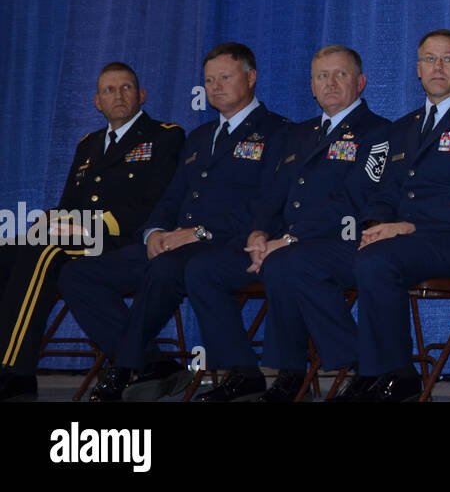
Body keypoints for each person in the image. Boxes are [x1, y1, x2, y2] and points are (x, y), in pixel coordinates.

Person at [60, 42, 288, 402]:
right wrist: (154, 232)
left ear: (251, 77)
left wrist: (199, 233)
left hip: (230, 244)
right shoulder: (198, 137)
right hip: (177, 244)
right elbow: (172, 197)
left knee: (169, 269)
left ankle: (124, 369)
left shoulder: (278, 132)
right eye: (209, 80)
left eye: (225, 77)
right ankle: (152, 362)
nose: (215, 86)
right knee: (77, 274)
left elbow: (271, 203)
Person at [185, 45, 390, 402]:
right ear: (311, 87)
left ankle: (347, 368)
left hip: (345, 244)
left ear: (361, 83)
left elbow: (353, 202)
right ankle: (244, 372)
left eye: (340, 75)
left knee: (287, 264)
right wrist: (260, 233)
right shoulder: (299, 134)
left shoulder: (379, 133)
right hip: (287, 245)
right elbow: (272, 194)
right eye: (321, 76)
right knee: (204, 268)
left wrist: (291, 239)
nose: (330, 83)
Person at [337, 29, 450, 402]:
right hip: (409, 242)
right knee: (354, 256)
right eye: (429, 59)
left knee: (377, 261)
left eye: (447, 59)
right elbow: (383, 193)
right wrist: (375, 226)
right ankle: (372, 372)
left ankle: (396, 376)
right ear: (417, 69)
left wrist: (408, 225)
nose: (438, 67)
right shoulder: (401, 129)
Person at [0, 63, 184, 402]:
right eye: (109, 90)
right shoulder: (89, 144)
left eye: (126, 88)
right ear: (97, 102)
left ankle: (15, 370)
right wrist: (49, 222)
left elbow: (155, 205)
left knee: (44, 251)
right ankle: (151, 361)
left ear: (141, 95)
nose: (118, 95)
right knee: (9, 250)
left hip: (126, 240)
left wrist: (84, 226)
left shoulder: (164, 136)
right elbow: (68, 203)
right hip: (82, 239)